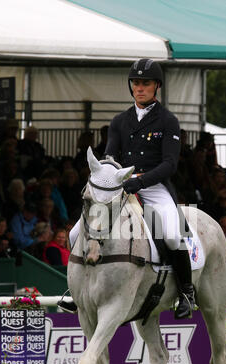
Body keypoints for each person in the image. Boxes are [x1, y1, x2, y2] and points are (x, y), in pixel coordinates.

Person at [59, 58, 196, 319]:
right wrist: (113, 177)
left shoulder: (168, 121)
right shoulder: (120, 121)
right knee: (77, 232)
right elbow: (110, 158)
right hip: (121, 186)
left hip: (153, 186)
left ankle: (186, 292)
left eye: (145, 83)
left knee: (170, 232)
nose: (140, 88)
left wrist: (140, 181)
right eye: (135, 83)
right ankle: (74, 289)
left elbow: (170, 164)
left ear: (157, 86)